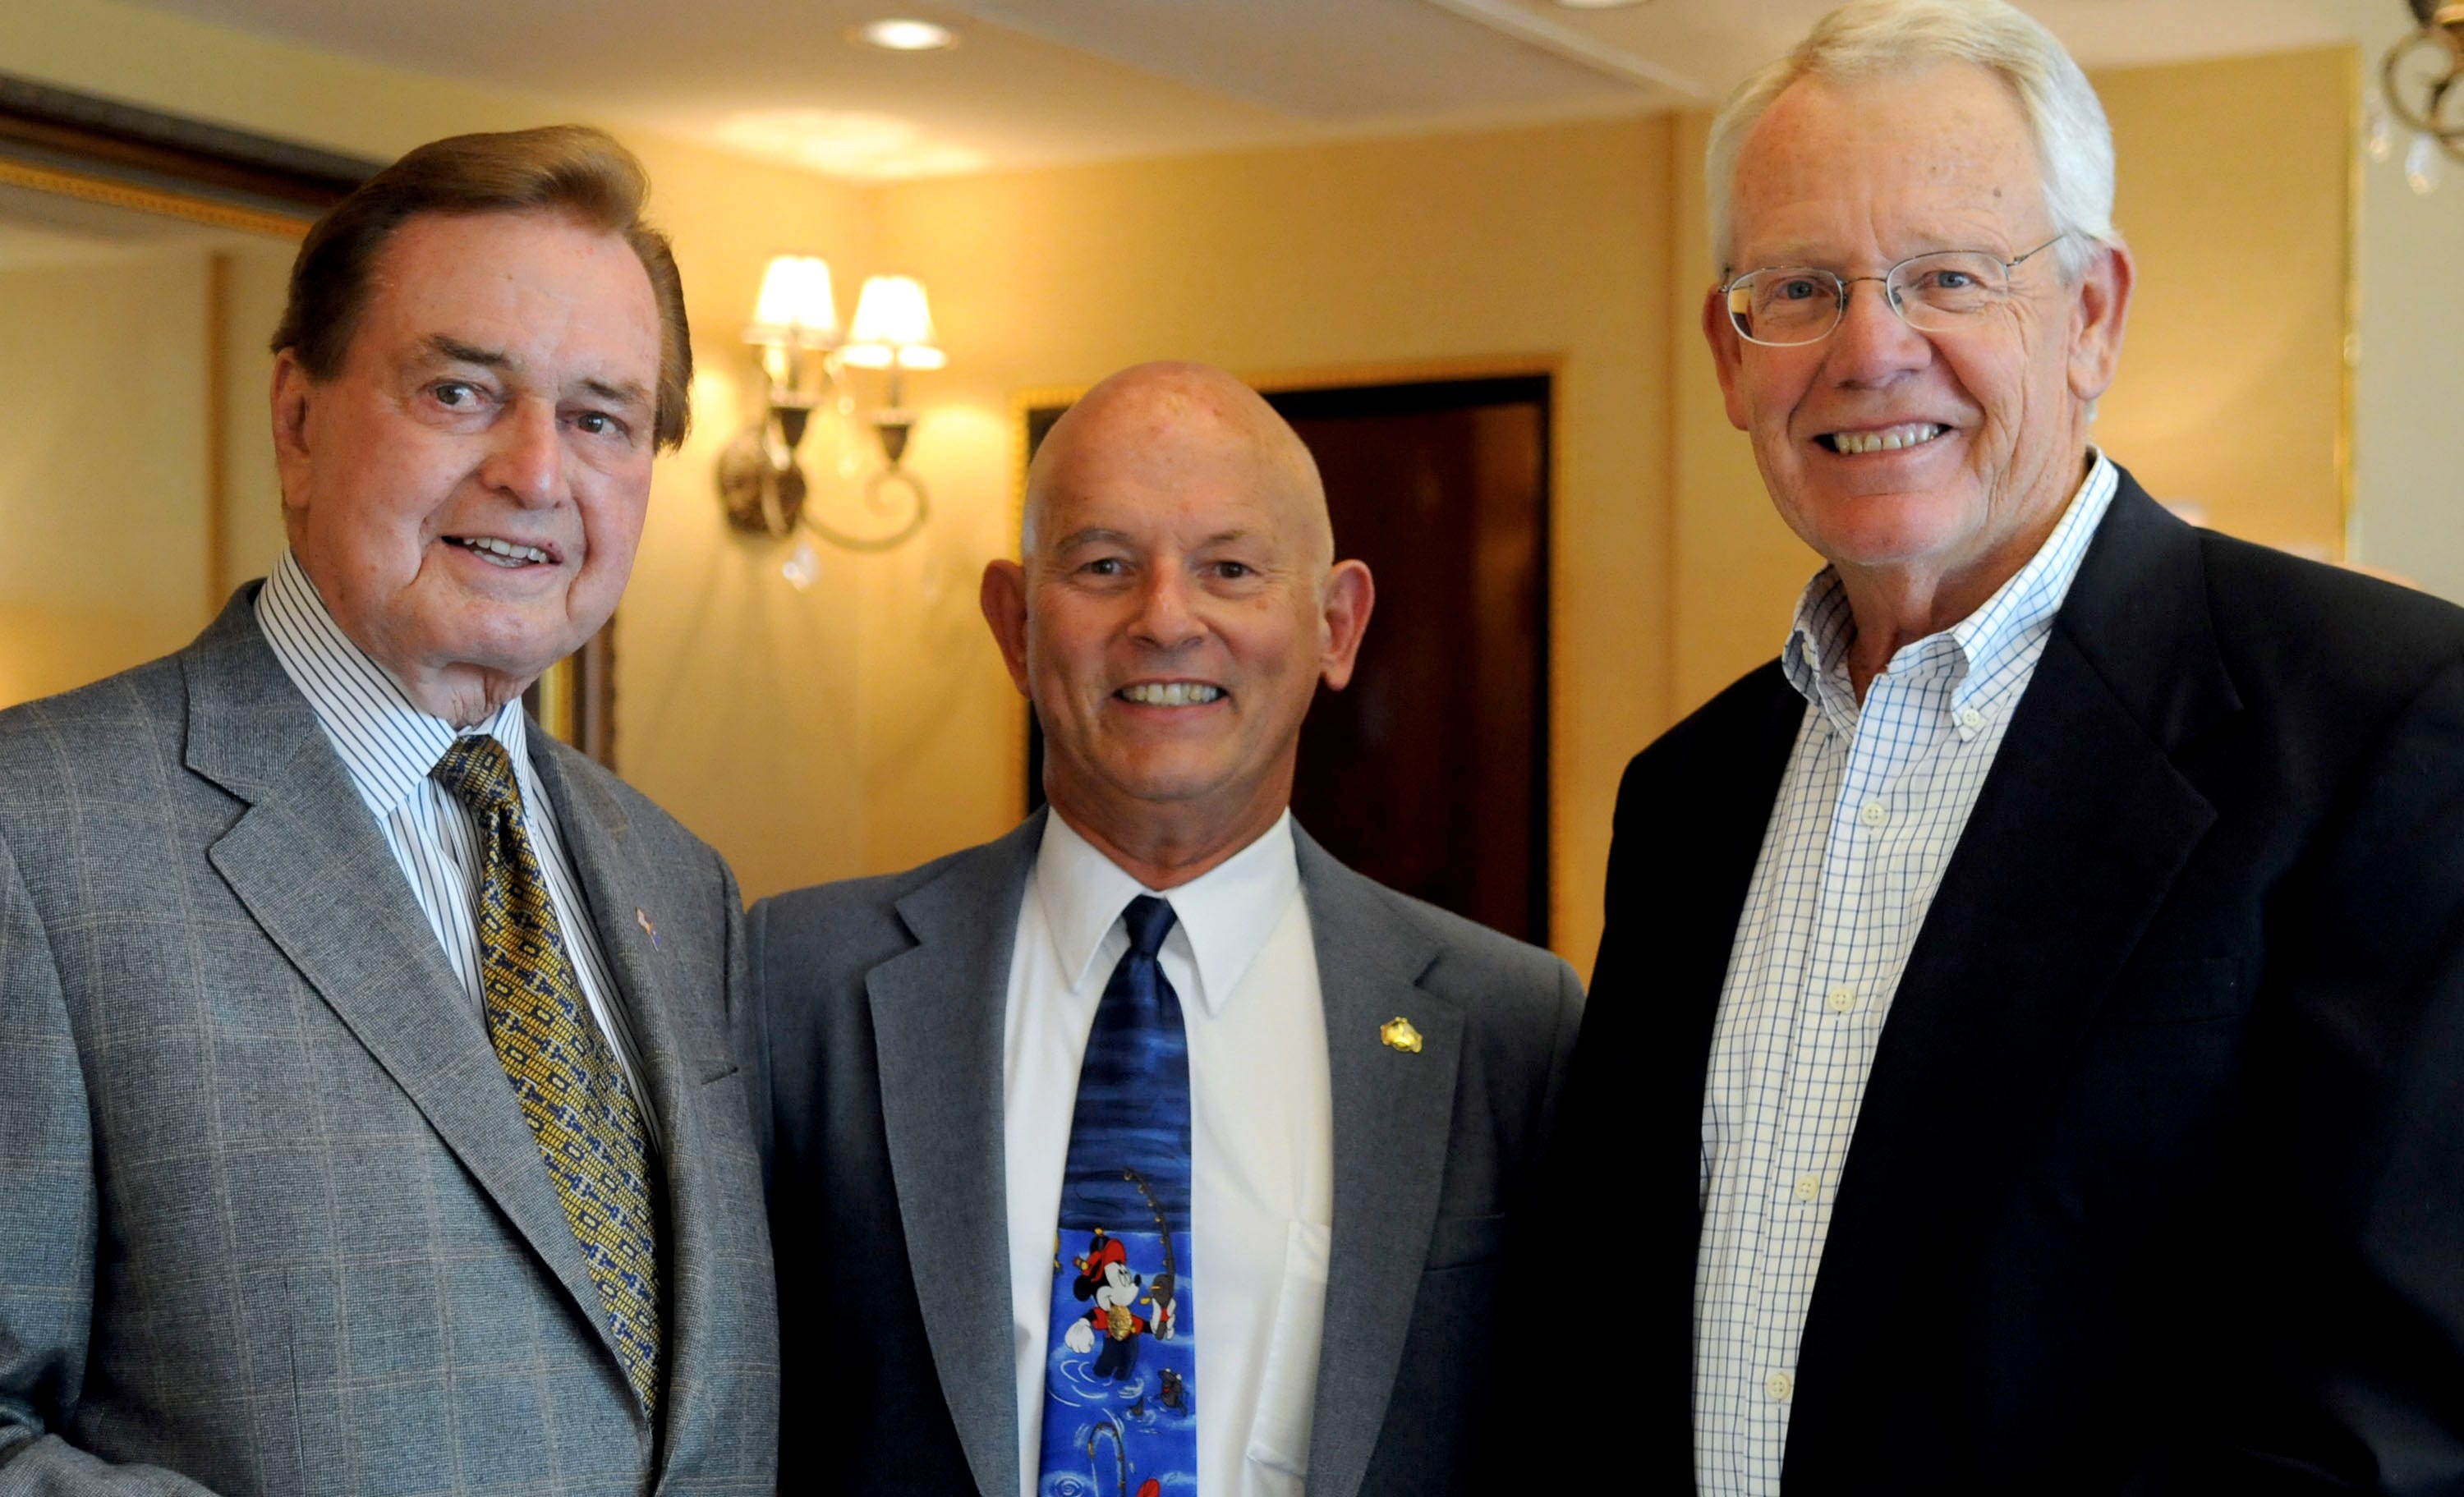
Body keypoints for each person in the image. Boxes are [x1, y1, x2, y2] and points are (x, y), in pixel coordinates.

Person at [1561, 1, 2464, 1490]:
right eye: (1797, 287)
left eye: (1947, 277)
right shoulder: (1689, 794)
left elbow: (2377, 1425)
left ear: (2092, 317)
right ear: (1728, 357)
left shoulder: (2383, 722)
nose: (1870, 347)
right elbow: (1609, 1340)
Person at [0, 126, 776, 1495]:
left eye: (601, 418)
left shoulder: (680, 879)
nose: (539, 475)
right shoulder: (37, 831)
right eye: (464, 393)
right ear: (298, 419)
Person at [747, 360, 1581, 1496]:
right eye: (1104, 567)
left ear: (1336, 627)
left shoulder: (1509, 1029)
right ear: (1015, 622)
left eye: (1230, 569)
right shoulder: (803, 986)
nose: (1166, 619)